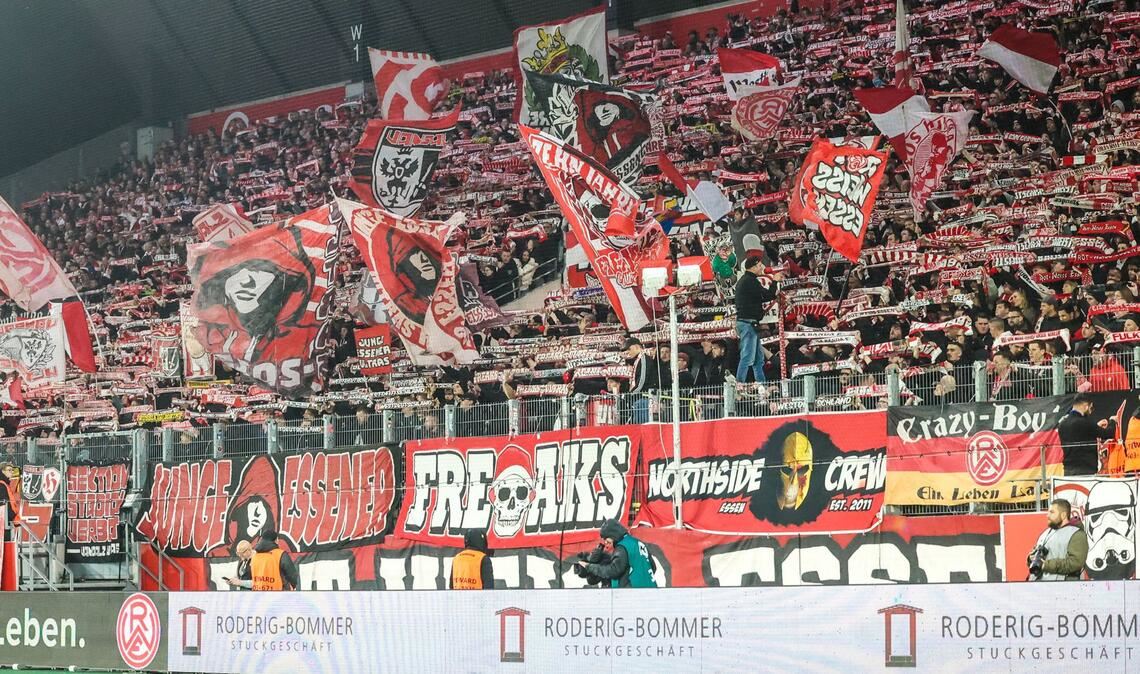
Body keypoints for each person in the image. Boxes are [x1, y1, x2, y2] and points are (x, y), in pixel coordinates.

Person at [575, 519, 657, 588]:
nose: (605, 542)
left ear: (612, 534)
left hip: (632, 595)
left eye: (606, 538)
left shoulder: (622, 547)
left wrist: (589, 567)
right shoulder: (638, 543)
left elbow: (613, 571)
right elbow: (653, 567)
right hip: (650, 590)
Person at [733, 255, 775, 383]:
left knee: (758, 359)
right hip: (747, 324)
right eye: (760, 265)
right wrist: (775, 282)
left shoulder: (746, 281)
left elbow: (763, 296)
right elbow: (767, 295)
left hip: (749, 323)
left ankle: (762, 385)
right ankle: (738, 385)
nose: (762, 267)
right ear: (754, 266)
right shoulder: (749, 281)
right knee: (747, 356)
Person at [1028, 499, 1088, 581]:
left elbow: (1075, 563)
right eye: (1048, 512)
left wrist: (1046, 565)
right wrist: (1031, 558)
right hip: (1038, 587)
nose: (1047, 515)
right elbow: (1035, 558)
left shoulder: (1077, 534)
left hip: (1063, 589)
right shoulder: (1045, 533)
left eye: (1052, 512)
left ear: (1063, 515)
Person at [1057, 393, 1117, 475]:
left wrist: (1095, 427)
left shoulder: (1062, 424)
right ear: (1086, 406)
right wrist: (1112, 421)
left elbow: (1081, 433)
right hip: (1085, 469)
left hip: (1068, 469)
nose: (1090, 411)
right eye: (1090, 408)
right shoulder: (1085, 423)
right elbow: (1108, 433)